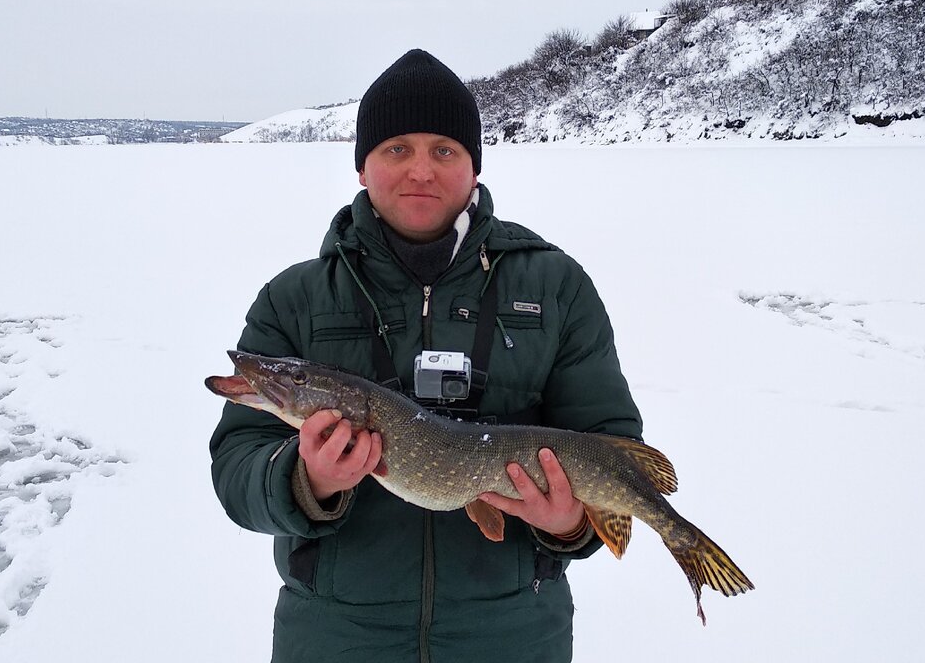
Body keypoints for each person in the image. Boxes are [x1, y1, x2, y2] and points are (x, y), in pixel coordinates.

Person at [209, 49, 643, 663]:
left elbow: (605, 445)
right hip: (335, 638)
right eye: (396, 149)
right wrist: (305, 480)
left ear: (474, 167)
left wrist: (570, 524)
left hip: (514, 637)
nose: (420, 170)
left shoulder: (555, 287)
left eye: (444, 150)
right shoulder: (294, 298)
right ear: (363, 167)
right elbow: (236, 471)